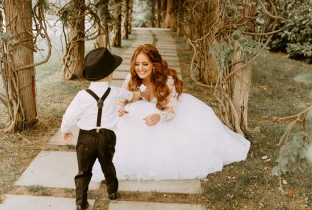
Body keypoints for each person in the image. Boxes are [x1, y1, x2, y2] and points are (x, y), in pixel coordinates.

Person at [91, 44, 250, 182]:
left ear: (154, 65)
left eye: (145, 64)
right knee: (126, 126)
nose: (140, 68)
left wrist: (159, 116)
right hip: (140, 114)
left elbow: (170, 110)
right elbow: (121, 99)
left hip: (164, 112)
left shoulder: (167, 80)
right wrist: (120, 107)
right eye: (137, 64)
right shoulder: (131, 78)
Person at [60, 47, 141, 210]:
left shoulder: (82, 95)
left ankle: (81, 204)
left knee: (83, 171)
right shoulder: (114, 91)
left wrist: (65, 130)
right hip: (107, 137)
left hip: (86, 138)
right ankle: (112, 193)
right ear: (110, 75)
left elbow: (69, 116)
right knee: (107, 165)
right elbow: (130, 95)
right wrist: (137, 94)